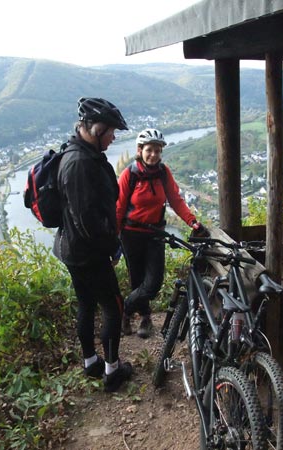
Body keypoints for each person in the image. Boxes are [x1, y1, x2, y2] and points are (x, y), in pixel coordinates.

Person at [53, 97, 132, 392]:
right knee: (114, 307)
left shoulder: (80, 154)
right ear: (95, 127)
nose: (113, 137)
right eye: (111, 131)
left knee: (86, 304)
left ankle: (90, 363)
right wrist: (112, 247)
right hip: (89, 253)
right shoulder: (79, 163)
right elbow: (88, 221)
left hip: (74, 249)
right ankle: (112, 371)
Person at [116, 128, 206, 338]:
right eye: (149, 150)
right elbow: (119, 208)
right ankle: (145, 318)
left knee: (153, 284)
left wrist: (192, 222)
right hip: (130, 234)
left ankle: (126, 309)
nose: (154, 155)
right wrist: (114, 237)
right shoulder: (129, 174)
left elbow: (175, 200)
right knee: (137, 279)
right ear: (140, 150)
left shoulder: (163, 173)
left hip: (155, 234)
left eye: (157, 150)